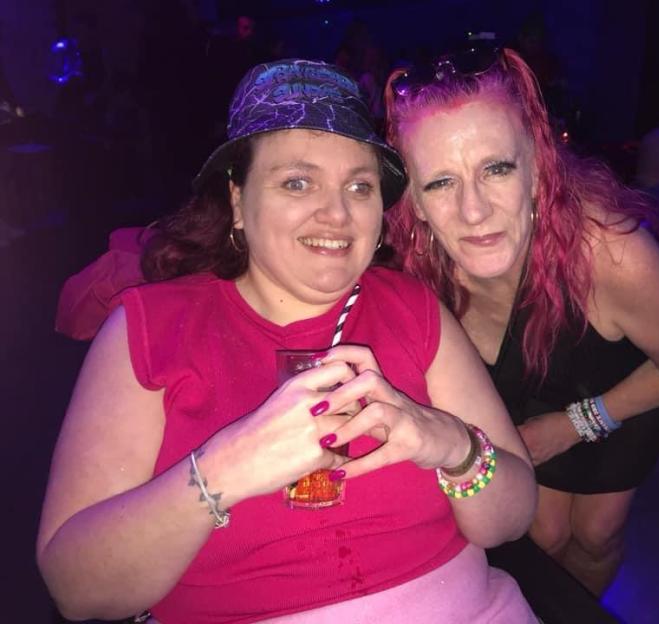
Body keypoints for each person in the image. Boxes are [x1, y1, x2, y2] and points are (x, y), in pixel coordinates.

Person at [37, 59, 539, 624]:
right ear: (237, 201)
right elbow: (77, 590)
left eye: (359, 186)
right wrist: (225, 469)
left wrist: (450, 444)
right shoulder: (150, 328)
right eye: (298, 182)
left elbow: (513, 517)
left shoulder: (412, 307)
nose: (337, 213)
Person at [383, 48, 659, 596]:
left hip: (630, 379)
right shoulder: (411, 275)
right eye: (440, 182)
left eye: (497, 168)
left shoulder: (610, 254)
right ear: (413, 200)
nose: (473, 211)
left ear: (538, 169)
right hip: (533, 384)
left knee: (597, 533)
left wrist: (575, 424)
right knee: (546, 532)